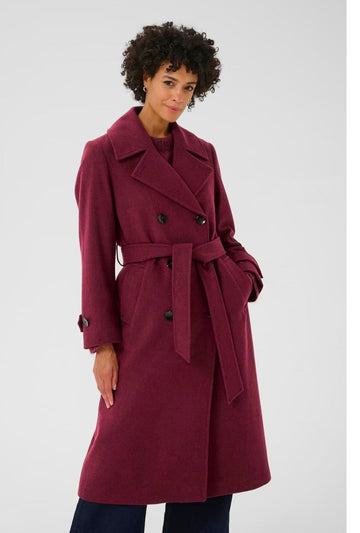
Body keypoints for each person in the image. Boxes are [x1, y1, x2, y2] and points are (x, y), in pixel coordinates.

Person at [69, 21, 271, 533]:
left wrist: (244, 277)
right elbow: (94, 257)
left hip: (213, 317)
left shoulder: (203, 152)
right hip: (146, 324)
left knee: (210, 459)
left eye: (189, 86)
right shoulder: (103, 154)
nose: (178, 96)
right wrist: (102, 345)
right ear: (144, 76)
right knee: (120, 460)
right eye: (168, 81)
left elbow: (224, 234)